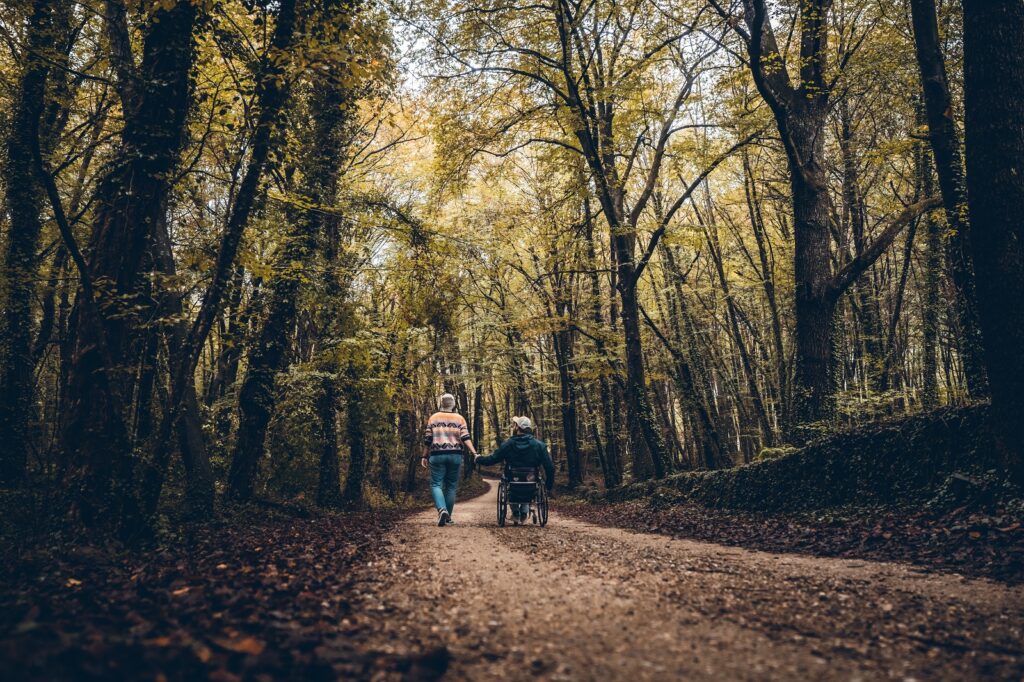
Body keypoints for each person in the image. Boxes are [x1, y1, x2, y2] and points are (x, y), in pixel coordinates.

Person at [475, 416, 554, 525]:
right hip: (531, 481)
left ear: (517, 427)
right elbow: (550, 467)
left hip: (513, 481)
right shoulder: (539, 445)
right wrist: (548, 485)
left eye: (515, 424)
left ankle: (516, 512)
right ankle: (524, 513)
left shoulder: (508, 444)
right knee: (529, 484)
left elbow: (492, 459)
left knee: (510, 485)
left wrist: (479, 459)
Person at [422, 393, 477, 526]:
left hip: (437, 455)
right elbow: (465, 437)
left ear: (441, 403)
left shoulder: (433, 418)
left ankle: (442, 510)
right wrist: (474, 453)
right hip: (455, 455)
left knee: (436, 484)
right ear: (453, 404)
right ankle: (448, 517)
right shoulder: (459, 418)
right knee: (451, 486)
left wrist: (424, 456)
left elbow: (428, 439)